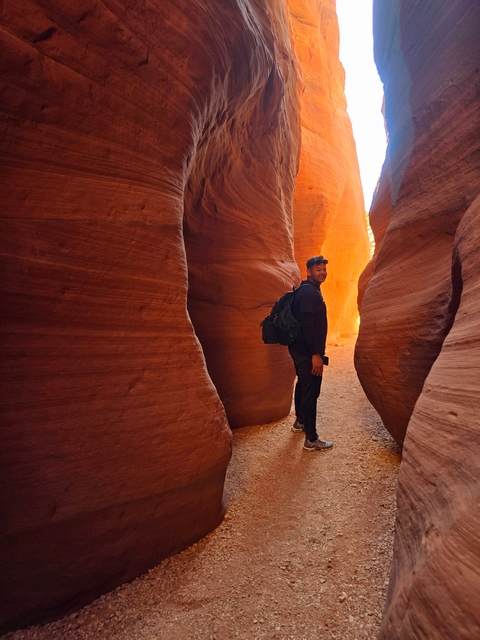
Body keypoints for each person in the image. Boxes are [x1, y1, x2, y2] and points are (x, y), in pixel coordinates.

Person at [288, 256, 333, 452]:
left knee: (303, 384)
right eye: (318, 269)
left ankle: (300, 421)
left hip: (299, 349)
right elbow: (307, 325)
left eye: (323, 269)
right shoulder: (310, 293)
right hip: (307, 351)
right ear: (308, 272)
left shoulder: (306, 290)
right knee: (311, 392)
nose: (322, 272)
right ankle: (311, 439)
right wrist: (316, 354)